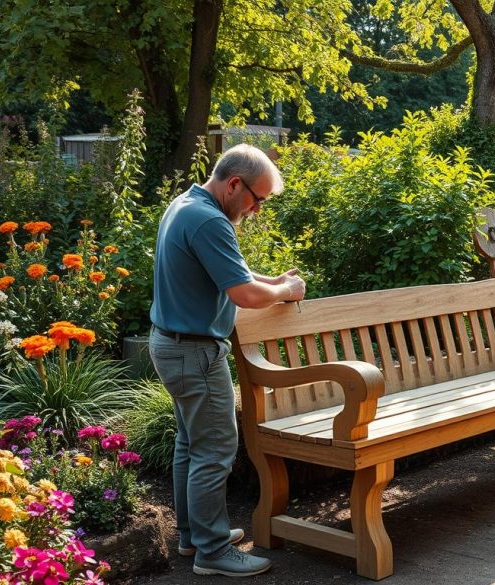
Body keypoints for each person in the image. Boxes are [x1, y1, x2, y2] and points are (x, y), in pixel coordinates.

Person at [148, 144, 305, 577]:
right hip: (194, 352)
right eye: (258, 200)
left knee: (191, 444)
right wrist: (284, 292)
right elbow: (245, 295)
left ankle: (191, 536)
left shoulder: (186, 204)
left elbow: (230, 271)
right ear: (234, 183)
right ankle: (213, 551)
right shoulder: (209, 220)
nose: (257, 210)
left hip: (172, 344)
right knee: (215, 450)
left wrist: (271, 279)